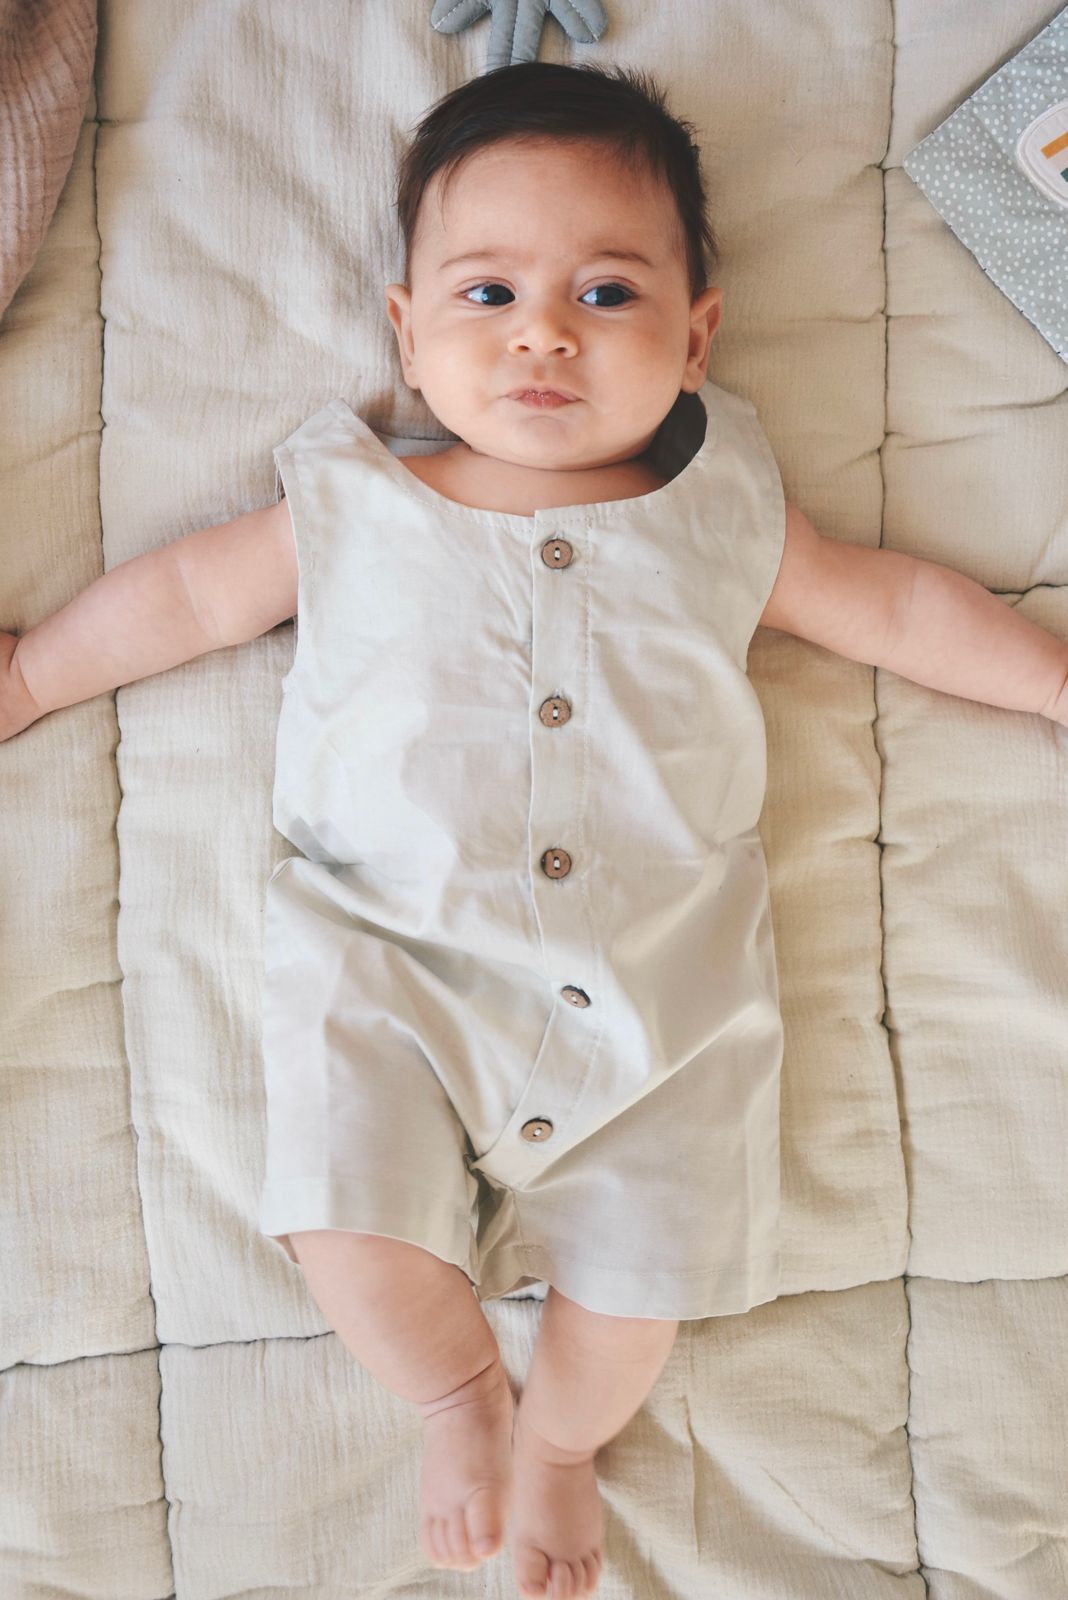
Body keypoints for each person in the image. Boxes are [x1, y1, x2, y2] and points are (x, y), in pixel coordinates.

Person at [3, 59, 1066, 1600]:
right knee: (343, 1215)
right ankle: (456, 1402)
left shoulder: (728, 513)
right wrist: (35, 675)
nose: (544, 332)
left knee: (650, 1262)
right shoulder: (350, 502)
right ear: (407, 332)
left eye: (608, 292)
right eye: (488, 292)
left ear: (697, 336)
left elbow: (898, 608)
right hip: (388, 962)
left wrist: (1049, 682)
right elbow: (179, 597)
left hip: (661, 998)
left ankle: (561, 1441)